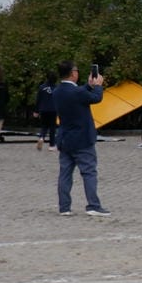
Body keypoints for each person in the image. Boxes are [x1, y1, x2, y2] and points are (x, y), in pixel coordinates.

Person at [52, 60, 110, 217]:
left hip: (65, 138)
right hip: (82, 139)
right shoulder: (77, 92)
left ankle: (64, 207)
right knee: (89, 172)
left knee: (65, 174)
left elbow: (79, 93)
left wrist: (88, 85)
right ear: (73, 73)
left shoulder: (57, 91)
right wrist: (98, 85)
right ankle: (93, 205)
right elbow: (96, 98)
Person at [34, 73, 57, 152]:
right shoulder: (57, 88)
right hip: (53, 110)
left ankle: (41, 137)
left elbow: (38, 100)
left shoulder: (42, 87)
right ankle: (51, 145)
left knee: (44, 126)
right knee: (52, 128)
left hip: (43, 109)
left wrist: (36, 111)